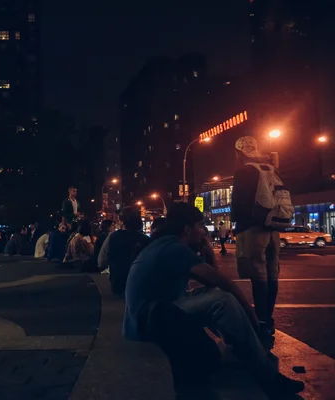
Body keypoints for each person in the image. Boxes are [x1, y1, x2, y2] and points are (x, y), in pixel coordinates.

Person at [123, 202, 304, 396]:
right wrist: (253, 318)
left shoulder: (166, 244)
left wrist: (207, 253)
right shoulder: (174, 249)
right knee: (222, 301)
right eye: (201, 226)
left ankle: (242, 347)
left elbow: (211, 283)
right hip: (147, 318)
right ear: (188, 229)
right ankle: (269, 378)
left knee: (215, 297)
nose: (204, 232)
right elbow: (223, 282)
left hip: (155, 311)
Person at [232, 136, 281, 348]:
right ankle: (267, 319)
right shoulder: (269, 169)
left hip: (253, 230)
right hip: (273, 230)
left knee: (257, 275)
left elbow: (239, 205)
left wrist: (238, 225)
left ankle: (260, 321)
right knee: (271, 274)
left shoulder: (244, 172)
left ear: (239, 153)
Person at [103, 207, 150, 296]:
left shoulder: (113, 237)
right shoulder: (144, 240)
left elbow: (104, 260)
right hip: (137, 286)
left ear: (122, 221)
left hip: (117, 284)